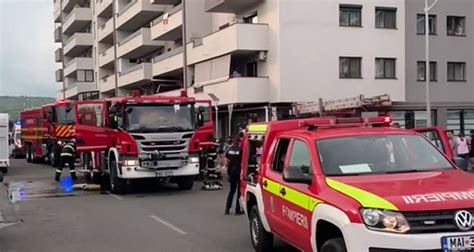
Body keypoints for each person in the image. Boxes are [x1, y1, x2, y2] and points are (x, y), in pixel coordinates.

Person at [225, 136, 244, 215]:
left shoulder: (229, 150)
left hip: (231, 172)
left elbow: (226, 163)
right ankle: (237, 209)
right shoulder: (240, 150)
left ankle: (227, 209)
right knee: (239, 191)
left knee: (232, 191)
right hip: (238, 172)